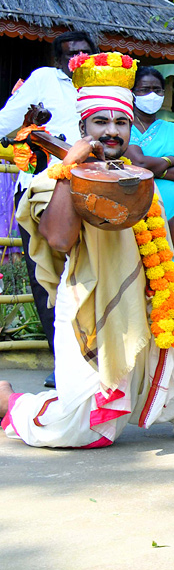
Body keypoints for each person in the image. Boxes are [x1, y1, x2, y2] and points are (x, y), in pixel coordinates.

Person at [0, 52, 174, 447]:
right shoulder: (55, 178)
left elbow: (160, 242)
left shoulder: (136, 180)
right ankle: (13, 401)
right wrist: (70, 172)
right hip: (90, 307)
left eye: (120, 122)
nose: (111, 131)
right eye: (101, 122)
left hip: (145, 303)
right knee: (83, 433)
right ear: (83, 127)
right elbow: (60, 240)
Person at [0, 30, 89, 389]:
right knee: (45, 277)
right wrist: (29, 122)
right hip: (43, 188)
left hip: (95, 188)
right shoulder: (42, 80)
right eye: (71, 53)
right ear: (58, 59)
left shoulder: (106, 84)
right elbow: (6, 124)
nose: (79, 58)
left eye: (86, 52)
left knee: (89, 273)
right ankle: (62, 360)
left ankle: (92, 358)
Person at [125, 65, 174, 274]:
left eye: (157, 90)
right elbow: (139, 164)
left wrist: (158, 169)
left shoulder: (172, 129)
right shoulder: (124, 127)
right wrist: (170, 159)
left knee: (169, 265)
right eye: (145, 90)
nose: (152, 95)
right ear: (133, 93)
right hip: (137, 207)